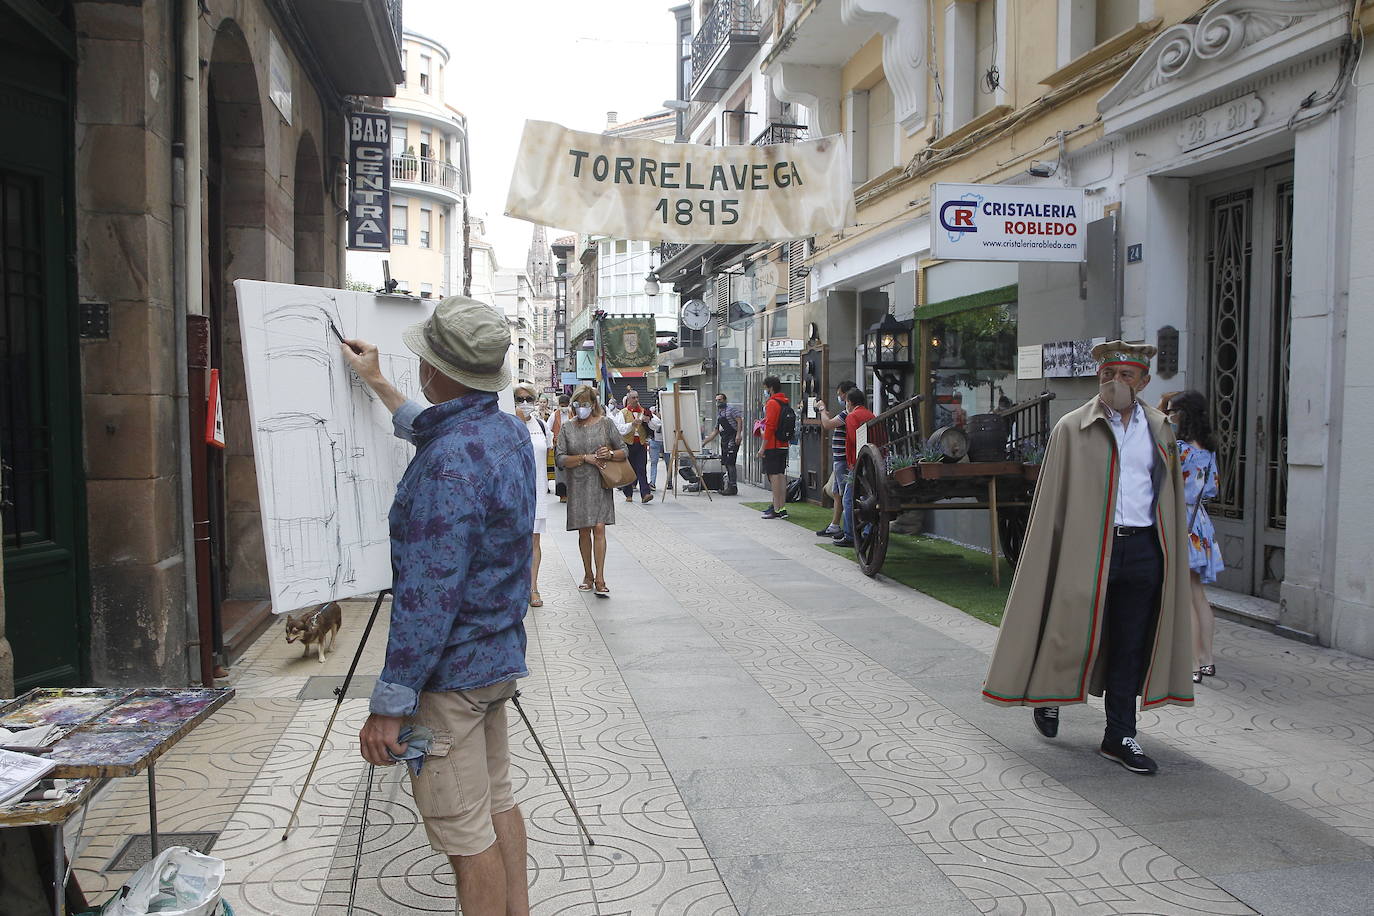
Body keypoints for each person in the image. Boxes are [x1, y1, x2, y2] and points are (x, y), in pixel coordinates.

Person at [344, 295, 534, 916]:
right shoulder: (505, 431)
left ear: (435, 369)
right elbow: (437, 427)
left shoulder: (448, 466)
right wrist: (376, 384)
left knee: (464, 837)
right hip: (495, 659)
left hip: (450, 679)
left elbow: (427, 601)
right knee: (497, 805)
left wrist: (389, 707)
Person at [982, 340, 1194, 776]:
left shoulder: (1159, 430)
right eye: (1107, 375)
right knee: (1068, 630)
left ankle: (1120, 735)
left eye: (1126, 376)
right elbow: (1052, 502)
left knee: (1130, 645)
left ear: (1144, 382)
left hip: (1142, 549)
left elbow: (1168, 496)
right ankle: (1050, 693)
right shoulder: (1071, 428)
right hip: (1086, 548)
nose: (1115, 383)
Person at [1167, 390, 1224, 684]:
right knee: (1199, 595)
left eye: (1174, 411)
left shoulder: (1179, 449)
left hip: (1181, 519)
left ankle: (1191, 664)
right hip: (1200, 522)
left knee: (1186, 596)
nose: (1170, 416)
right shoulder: (1209, 449)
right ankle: (1207, 660)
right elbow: (1212, 488)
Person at [556, 385, 626, 596]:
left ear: (593, 404)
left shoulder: (606, 424)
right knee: (583, 530)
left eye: (585, 404)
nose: (581, 409)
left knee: (599, 528)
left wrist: (610, 454)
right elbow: (560, 458)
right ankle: (588, 574)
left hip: (600, 483)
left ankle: (600, 577)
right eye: (577, 405)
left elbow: (624, 450)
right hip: (577, 484)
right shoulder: (567, 428)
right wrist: (584, 458)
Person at [514, 384, 550, 609]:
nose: (525, 403)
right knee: (515, 540)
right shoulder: (507, 425)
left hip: (537, 489)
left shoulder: (541, 426)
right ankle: (514, 587)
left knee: (534, 539)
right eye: (520, 399)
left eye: (529, 398)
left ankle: (532, 587)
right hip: (514, 491)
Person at [833, 387, 874, 549]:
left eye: (846, 402)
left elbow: (852, 440)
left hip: (857, 463)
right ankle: (868, 530)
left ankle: (850, 534)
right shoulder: (870, 415)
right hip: (871, 461)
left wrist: (852, 463)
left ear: (849, 402)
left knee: (848, 499)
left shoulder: (852, 416)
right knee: (867, 498)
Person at [814, 381, 856, 537]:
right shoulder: (847, 412)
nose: (838, 397)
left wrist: (822, 409)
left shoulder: (848, 413)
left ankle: (847, 530)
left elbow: (827, 424)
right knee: (838, 492)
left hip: (843, 459)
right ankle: (835, 525)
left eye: (839, 394)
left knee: (845, 494)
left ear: (846, 395)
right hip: (840, 458)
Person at [610, 389, 656, 503]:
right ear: (628, 399)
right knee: (628, 469)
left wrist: (648, 420)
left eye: (637, 397)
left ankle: (645, 494)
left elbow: (657, 425)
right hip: (627, 444)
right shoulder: (623, 413)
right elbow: (620, 429)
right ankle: (628, 493)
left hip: (640, 444)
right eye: (633, 398)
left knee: (641, 468)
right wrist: (632, 424)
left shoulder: (644, 411)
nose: (636, 400)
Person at [758, 376, 792, 519]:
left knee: (774, 477)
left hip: (773, 445)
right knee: (781, 475)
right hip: (783, 444)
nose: (765, 391)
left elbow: (770, 427)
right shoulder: (784, 402)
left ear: (770, 388)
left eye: (766, 388)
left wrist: (762, 447)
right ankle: (781, 508)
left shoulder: (772, 403)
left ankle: (777, 509)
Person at [702, 392, 743, 495]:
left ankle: (733, 486)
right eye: (716, 400)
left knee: (730, 462)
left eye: (719, 400)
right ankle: (729, 485)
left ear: (725, 400)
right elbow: (715, 431)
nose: (717, 402)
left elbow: (739, 420)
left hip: (733, 437)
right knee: (726, 463)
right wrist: (704, 443)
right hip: (725, 439)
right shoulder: (720, 413)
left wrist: (738, 434)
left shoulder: (731, 409)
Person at [646, 403, 672, 492]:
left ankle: (670, 481)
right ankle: (652, 482)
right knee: (654, 462)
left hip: (665, 441)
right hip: (655, 441)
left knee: (668, 462)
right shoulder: (652, 417)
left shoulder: (668, 417)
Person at [551, 394, 571, 502]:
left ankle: (572, 493)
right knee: (560, 472)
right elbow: (548, 429)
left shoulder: (573, 414)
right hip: (559, 447)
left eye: (566, 405)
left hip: (572, 446)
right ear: (559, 405)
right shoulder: (554, 415)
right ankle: (562, 495)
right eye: (562, 405)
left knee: (572, 470)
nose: (564, 407)